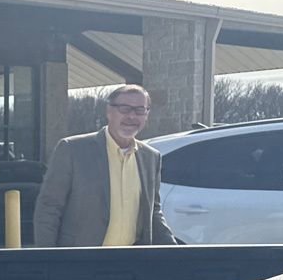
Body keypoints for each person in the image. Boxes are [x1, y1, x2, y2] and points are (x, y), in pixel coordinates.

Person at [33, 83, 176, 247]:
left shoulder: (151, 157)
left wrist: (174, 253)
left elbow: (153, 213)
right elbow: (49, 208)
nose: (131, 116)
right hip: (80, 262)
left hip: (130, 263)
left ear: (146, 115)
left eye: (139, 110)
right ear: (109, 111)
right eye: (124, 108)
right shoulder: (72, 150)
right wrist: (47, 259)